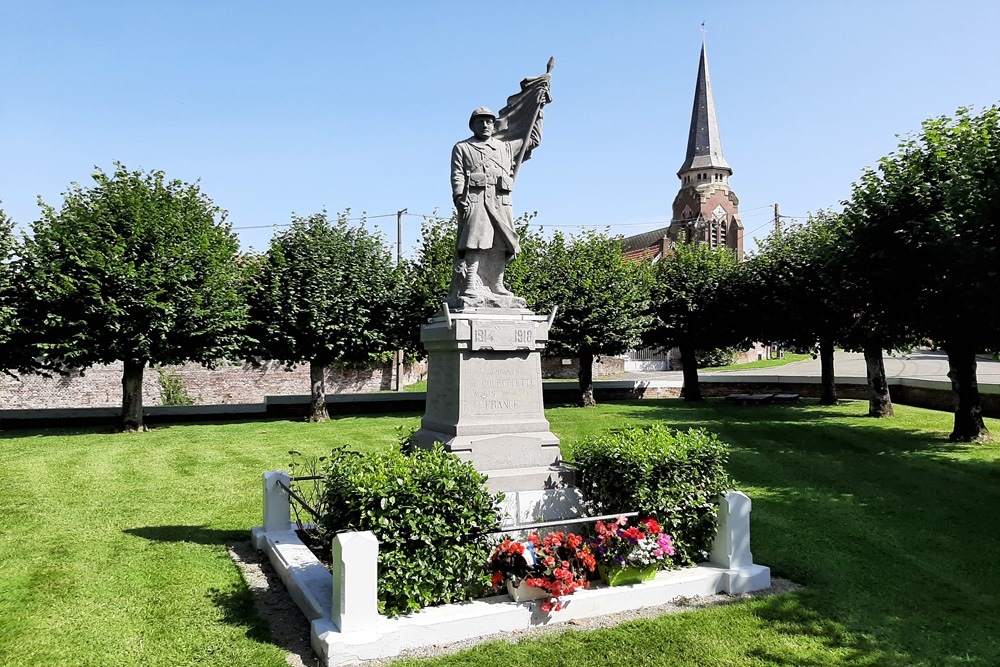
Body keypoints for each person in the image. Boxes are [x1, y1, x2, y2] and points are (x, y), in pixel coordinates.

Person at [449, 106, 542, 306]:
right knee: (475, 241)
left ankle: (497, 284)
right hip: (476, 198)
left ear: (494, 125)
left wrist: (539, 110)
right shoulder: (463, 147)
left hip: (501, 201)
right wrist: (458, 197)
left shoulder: (505, 147)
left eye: (489, 121)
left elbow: (532, 140)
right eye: (480, 121)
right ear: (472, 126)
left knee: (502, 242)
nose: (485, 125)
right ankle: (471, 284)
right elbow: (457, 174)